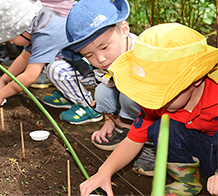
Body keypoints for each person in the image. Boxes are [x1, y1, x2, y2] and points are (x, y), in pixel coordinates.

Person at [79, 23, 218, 196]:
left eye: (162, 92)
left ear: (196, 79)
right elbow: (132, 141)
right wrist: (104, 172)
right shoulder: (157, 104)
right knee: (160, 129)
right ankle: (186, 182)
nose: (154, 100)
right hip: (201, 152)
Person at [59, 0, 153, 173]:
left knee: (129, 96)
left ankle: (150, 141)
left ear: (124, 29)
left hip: (156, 111)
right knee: (102, 91)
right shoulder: (105, 62)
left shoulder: (144, 55)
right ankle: (122, 127)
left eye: (104, 47)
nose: (100, 59)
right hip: (130, 103)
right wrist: (108, 120)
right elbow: (105, 85)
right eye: (89, 55)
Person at [0, 0, 101, 126]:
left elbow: (28, 77)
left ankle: (88, 106)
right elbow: (23, 58)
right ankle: (68, 95)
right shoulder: (36, 27)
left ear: (20, 29)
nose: (10, 42)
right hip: (77, 64)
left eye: (10, 37)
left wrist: (0, 95)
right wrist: (4, 80)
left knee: (54, 69)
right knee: (43, 64)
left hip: (95, 71)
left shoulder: (44, 36)